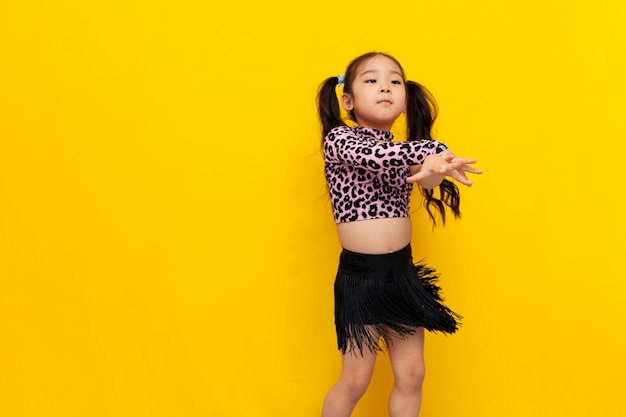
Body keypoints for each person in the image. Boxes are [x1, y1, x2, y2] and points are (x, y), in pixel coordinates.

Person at [316, 52, 482, 417]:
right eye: (371, 81)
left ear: (406, 100)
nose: (385, 87)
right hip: (361, 278)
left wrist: (436, 167)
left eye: (394, 81)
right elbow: (378, 155)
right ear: (347, 100)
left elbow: (428, 171)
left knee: (412, 373)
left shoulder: (402, 150)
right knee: (356, 380)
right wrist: (435, 151)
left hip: (401, 276)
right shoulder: (340, 140)